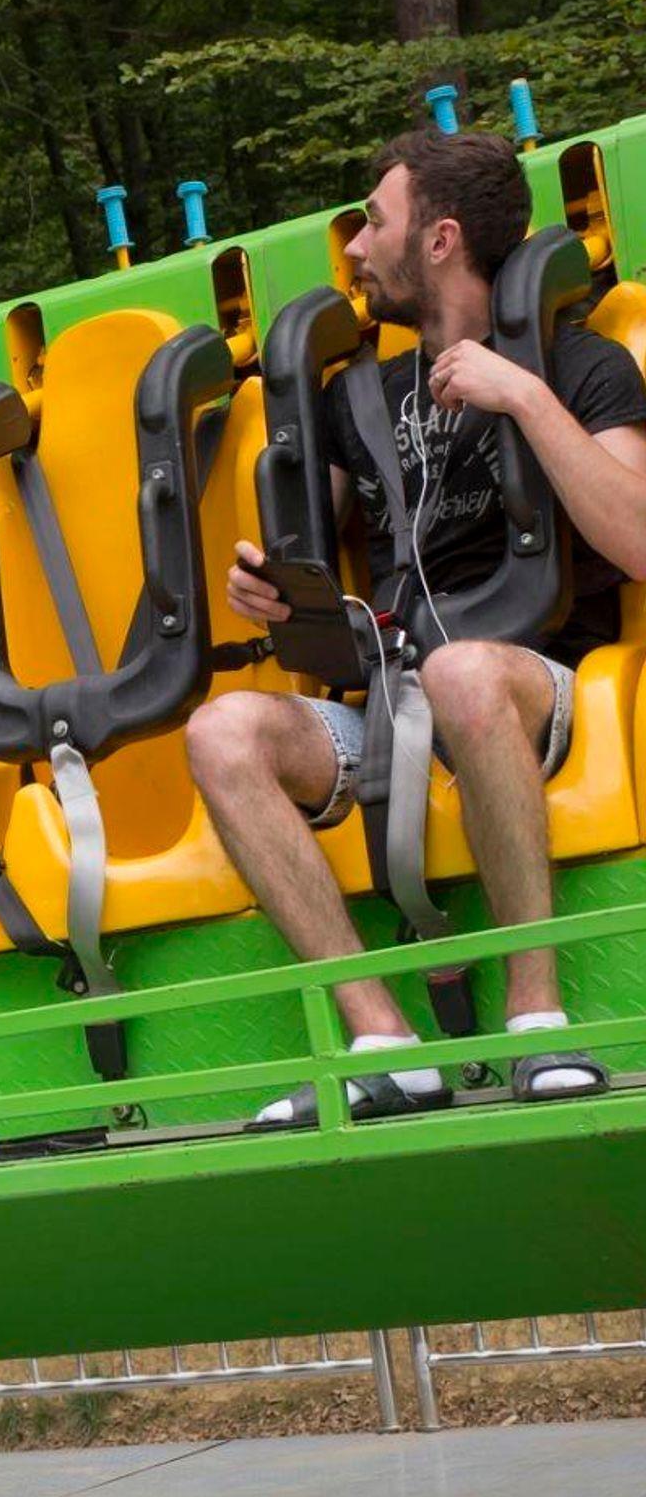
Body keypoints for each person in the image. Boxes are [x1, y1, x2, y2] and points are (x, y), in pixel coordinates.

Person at [185, 130, 646, 1128]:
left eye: (373, 223)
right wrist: (269, 588)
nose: (354, 249)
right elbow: (308, 554)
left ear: (439, 241)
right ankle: (383, 1041)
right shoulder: (359, 398)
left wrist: (523, 397)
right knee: (220, 731)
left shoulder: (580, 367)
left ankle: (535, 1019)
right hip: (390, 700)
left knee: (465, 674)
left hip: (533, 679)